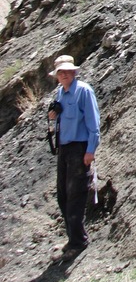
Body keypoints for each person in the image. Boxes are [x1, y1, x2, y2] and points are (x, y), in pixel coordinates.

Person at [48, 54, 100, 259]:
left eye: (68, 71)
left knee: (76, 196)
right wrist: (53, 115)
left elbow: (93, 124)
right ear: (57, 76)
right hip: (64, 149)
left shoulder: (84, 91)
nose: (65, 74)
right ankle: (72, 237)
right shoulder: (61, 93)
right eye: (61, 72)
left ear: (74, 72)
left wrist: (90, 151)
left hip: (79, 149)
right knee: (63, 195)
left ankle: (78, 242)